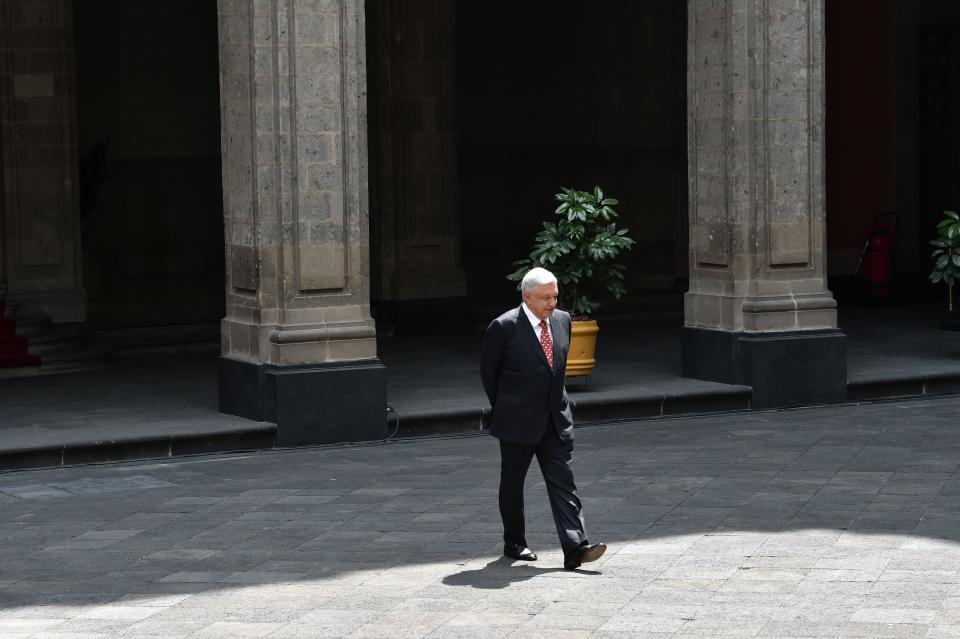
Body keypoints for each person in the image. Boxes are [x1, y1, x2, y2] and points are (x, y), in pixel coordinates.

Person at [480, 267, 606, 570]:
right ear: (527, 297)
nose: (552, 303)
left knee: (564, 482)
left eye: (555, 296)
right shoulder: (504, 326)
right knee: (512, 483)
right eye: (546, 298)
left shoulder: (562, 321)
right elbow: (489, 375)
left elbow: (557, 371)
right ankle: (515, 542)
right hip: (516, 421)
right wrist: (507, 408)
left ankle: (576, 548)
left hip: (554, 420)